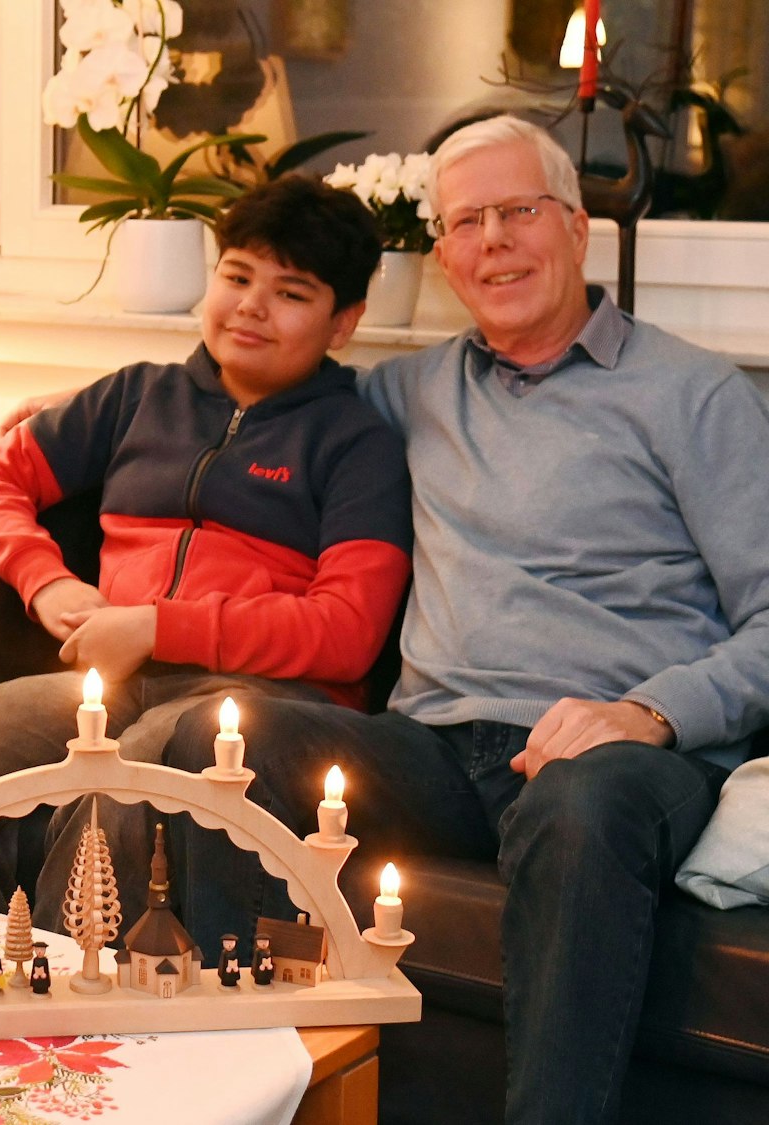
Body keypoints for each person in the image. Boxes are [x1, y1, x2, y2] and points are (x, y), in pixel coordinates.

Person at [155, 115, 769, 1123]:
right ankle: (235, 1093)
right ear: (439, 257)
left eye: (517, 212)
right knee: (214, 736)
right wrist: (91, 410)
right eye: (465, 222)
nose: (491, 241)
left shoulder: (691, 396)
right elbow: (257, 398)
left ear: (574, 227)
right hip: (432, 754)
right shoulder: (410, 393)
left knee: (580, 804)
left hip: (616, 764)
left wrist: (646, 715)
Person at [0, 176, 411, 915]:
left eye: (291, 292)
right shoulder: (137, 397)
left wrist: (158, 626)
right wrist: (48, 582)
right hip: (111, 684)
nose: (252, 304)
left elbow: (347, 633)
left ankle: (69, 1015)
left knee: (125, 782)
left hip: (252, 702)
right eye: (237, 275)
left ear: (343, 322)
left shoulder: (358, 445)